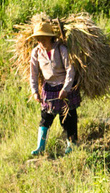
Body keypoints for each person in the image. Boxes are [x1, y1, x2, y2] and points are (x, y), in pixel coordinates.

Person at [28, 19, 80, 156]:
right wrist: (35, 92)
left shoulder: (61, 49)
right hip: (49, 88)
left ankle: (72, 145)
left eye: (43, 38)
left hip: (65, 87)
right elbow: (33, 74)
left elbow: (70, 69)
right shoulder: (36, 52)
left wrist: (66, 88)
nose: (40, 41)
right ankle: (40, 146)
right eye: (38, 39)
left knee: (69, 117)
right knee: (46, 117)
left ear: (50, 37)